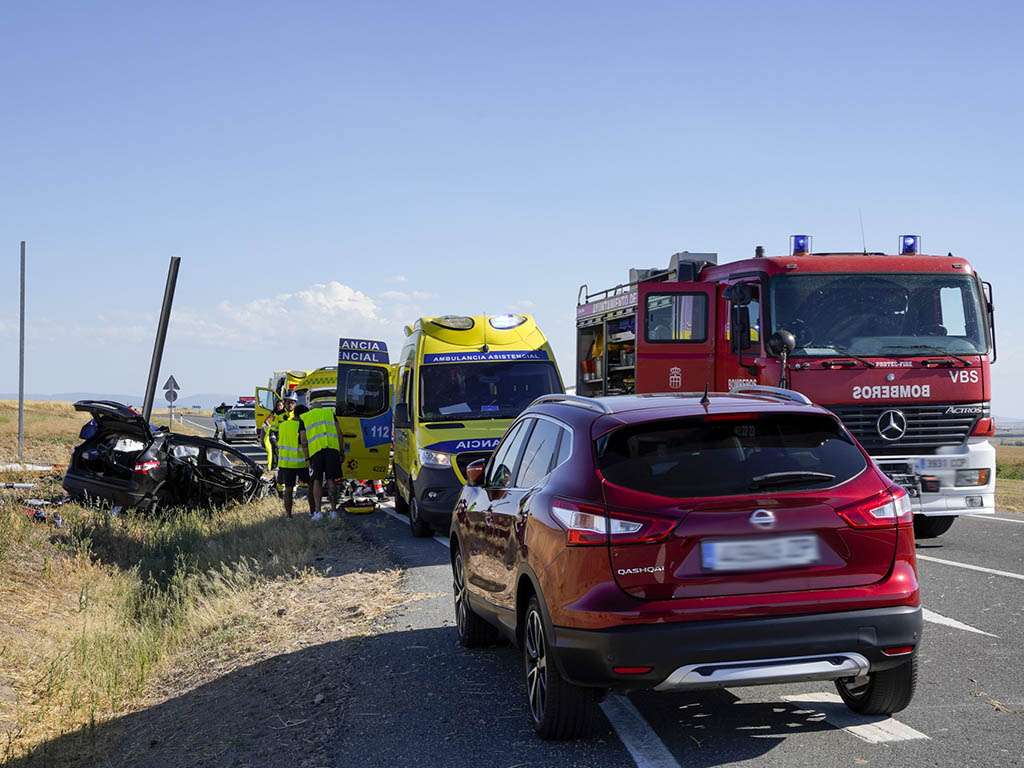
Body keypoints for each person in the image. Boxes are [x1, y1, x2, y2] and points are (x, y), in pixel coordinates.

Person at [299, 396, 344, 520]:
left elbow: (303, 440)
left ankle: (318, 512)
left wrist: (307, 457)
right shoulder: (329, 413)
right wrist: (341, 452)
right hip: (332, 450)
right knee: (331, 480)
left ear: (311, 408)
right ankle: (333, 511)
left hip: (315, 453)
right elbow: (339, 433)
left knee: (317, 481)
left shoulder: (305, 417)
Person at [277, 404, 313, 518]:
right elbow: (304, 443)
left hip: (285, 463)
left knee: (288, 489)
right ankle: (313, 512)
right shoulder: (302, 426)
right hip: (301, 462)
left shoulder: (283, 425)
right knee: (312, 485)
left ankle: (288, 516)